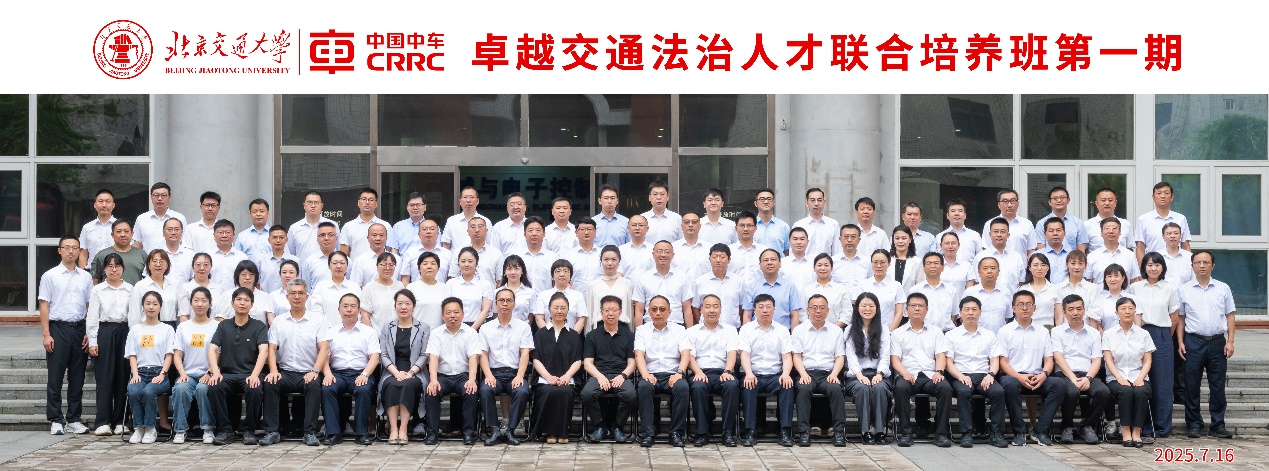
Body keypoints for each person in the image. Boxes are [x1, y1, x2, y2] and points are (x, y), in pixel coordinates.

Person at [262, 279, 332, 446]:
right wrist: (273, 370)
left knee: (314, 385)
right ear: (287, 296)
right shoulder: (278, 321)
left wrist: (315, 371)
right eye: (293, 293)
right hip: (286, 372)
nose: (297, 297)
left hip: (309, 371)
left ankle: (310, 433)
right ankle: (272, 431)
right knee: (270, 383)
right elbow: (271, 348)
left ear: (307, 296)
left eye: (301, 293)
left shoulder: (318, 320)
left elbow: (324, 348)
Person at [39, 235, 94, 436]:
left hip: (79, 329)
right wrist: (46, 334)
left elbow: (90, 306)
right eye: (67, 247)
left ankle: (74, 419)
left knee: (77, 378)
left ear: (80, 251)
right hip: (58, 329)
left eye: (75, 248)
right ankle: (55, 419)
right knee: (55, 377)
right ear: (59, 250)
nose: (71, 251)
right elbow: (44, 306)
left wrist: (89, 332)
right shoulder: (50, 276)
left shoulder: (85, 277)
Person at [1178, 250, 1235, 439]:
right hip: (1193, 342)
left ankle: (1218, 425)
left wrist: (1231, 341)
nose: (1202, 265)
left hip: (1218, 342)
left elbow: (1230, 315)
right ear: (1192, 266)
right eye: (1198, 262)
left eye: (1206, 262)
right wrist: (1180, 341)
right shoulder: (1184, 289)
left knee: (1217, 386)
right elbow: (1181, 318)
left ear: (1213, 265)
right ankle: (1194, 424)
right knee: (1191, 386)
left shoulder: (1223, 288)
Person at [995, 290, 1064, 446]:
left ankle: (1040, 430)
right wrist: (1019, 377)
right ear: (1013, 309)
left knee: (1059, 384)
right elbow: (1003, 362)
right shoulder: (1004, 331)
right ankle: (1019, 432)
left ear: (1035, 308)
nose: (1025, 308)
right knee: (1009, 384)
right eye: (1021, 305)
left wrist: (1044, 375)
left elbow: (1049, 360)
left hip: (1037, 376)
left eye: (1028, 304)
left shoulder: (1043, 332)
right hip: (1014, 376)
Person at [207, 287, 270, 445]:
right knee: (214, 386)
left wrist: (255, 375)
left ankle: (249, 430)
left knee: (255, 388)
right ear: (232, 303)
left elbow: (264, 351)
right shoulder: (223, 325)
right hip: (227, 374)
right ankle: (225, 430)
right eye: (239, 300)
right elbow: (212, 349)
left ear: (252, 304)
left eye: (246, 300)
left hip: (249, 374)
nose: (242, 303)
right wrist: (215, 372)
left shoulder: (259, 326)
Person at [889, 293, 954, 448]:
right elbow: (895, 359)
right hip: (908, 375)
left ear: (926, 310)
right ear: (907, 310)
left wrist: (939, 371)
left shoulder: (936, 332)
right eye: (913, 306)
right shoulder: (898, 333)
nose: (917, 309)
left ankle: (941, 434)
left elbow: (940, 355)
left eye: (920, 306)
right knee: (900, 388)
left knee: (945, 388)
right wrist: (904, 373)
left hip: (930, 375)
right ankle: (906, 433)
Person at [945, 296, 1008, 448]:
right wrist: (960, 376)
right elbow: (948, 363)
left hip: (983, 375)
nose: (970, 313)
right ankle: (966, 433)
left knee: (998, 392)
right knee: (963, 391)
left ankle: (996, 434)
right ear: (960, 313)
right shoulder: (951, 335)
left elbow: (994, 360)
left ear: (980, 312)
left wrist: (991, 375)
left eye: (974, 309)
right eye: (966, 310)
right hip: (960, 375)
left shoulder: (989, 335)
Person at [736, 294, 796, 447]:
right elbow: (744, 354)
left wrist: (786, 374)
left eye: (768, 307)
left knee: (787, 384)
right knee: (748, 385)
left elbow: (787, 356)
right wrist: (749, 373)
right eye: (761, 307)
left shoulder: (782, 330)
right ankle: (750, 430)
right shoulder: (746, 329)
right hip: (753, 374)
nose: (765, 310)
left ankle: (785, 430)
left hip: (775, 375)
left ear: (774, 309)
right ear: (754, 310)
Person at [1049, 294, 1110, 445]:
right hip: (1065, 374)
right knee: (1071, 392)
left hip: (1088, 373)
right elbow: (1058, 357)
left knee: (1103, 392)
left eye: (1078, 309)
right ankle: (1067, 425)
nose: (1075, 313)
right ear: (1064, 312)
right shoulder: (1057, 332)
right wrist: (1073, 378)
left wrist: (1088, 378)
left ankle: (1087, 425)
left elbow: (1096, 360)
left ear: (1084, 310)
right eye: (1071, 309)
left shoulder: (1094, 333)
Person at [1131, 251, 1180, 437]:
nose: (1153, 268)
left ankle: (1162, 427)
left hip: (1162, 334)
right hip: (1140, 333)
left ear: (1162, 267)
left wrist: (1164, 337)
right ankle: (1142, 426)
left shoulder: (1170, 288)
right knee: (1141, 380)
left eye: (1157, 265)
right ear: (1144, 267)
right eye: (1149, 265)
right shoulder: (1135, 288)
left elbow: (1174, 318)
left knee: (1163, 382)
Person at [321, 293, 380, 446]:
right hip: (337, 374)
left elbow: (374, 357)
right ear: (339, 310)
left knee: (363, 389)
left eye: (353, 306)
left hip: (361, 372)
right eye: (345, 306)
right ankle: (334, 433)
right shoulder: (330, 332)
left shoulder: (369, 332)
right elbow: (324, 356)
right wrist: (327, 374)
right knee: (327, 388)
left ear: (359, 310)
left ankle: (361, 434)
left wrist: (365, 374)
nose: (349, 310)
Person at [423, 297, 483, 445]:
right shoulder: (436, 333)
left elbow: (473, 358)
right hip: (442, 377)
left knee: (471, 391)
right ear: (443, 315)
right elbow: (433, 358)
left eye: (456, 312)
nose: (452, 316)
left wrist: (472, 379)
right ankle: (432, 433)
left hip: (464, 376)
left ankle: (469, 433)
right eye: (448, 312)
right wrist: (433, 380)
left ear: (462, 314)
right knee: (432, 392)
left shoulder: (470, 333)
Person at [634, 296, 692, 447]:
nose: (658, 313)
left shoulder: (679, 330)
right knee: (644, 386)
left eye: (662, 309)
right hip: (650, 373)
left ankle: (676, 433)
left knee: (682, 387)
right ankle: (648, 433)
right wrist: (645, 374)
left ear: (669, 312)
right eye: (654, 309)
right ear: (648, 312)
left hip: (673, 374)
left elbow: (686, 354)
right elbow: (639, 355)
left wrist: (679, 373)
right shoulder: (641, 330)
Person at [478, 288, 533, 446]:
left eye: (509, 300)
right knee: (485, 390)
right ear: (495, 304)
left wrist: (520, 375)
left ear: (514, 304)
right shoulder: (486, 328)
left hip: (514, 373)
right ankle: (494, 430)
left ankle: (510, 430)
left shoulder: (523, 327)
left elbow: (525, 353)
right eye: (501, 300)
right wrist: (488, 375)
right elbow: (483, 354)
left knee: (522, 391)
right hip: (494, 373)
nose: (505, 304)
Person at [791, 294, 848, 447]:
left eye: (822, 308)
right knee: (803, 389)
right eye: (814, 308)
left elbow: (840, 356)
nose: (818, 311)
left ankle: (839, 432)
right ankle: (804, 432)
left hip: (827, 374)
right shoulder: (799, 330)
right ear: (807, 310)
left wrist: (834, 374)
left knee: (836, 389)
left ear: (828, 310)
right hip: (806, 372)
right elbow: (796, 356)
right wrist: (803, 374)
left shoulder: (836, 331)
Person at [86, 253, 133, 436]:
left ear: (123, 268)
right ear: (104, 269)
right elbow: (92, 317)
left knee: (123, 376)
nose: (114, 270)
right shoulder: (98, 290)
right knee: (104, 377)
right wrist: (93, 341)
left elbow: (134, 316)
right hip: (104, 332)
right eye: (110, 266)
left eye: (117, 266)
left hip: (125, 331)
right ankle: (103, 422)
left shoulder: (130, 289)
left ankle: (121, 421)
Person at [685, 294, 741, 447]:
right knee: (697, 386)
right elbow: (689, 357)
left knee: (731, 385)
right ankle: (702, 432)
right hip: (700, 371)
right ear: (701, 309)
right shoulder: (692, 331)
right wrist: (698, 372)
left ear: (721, 309)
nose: (712, 310)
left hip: (723, 371)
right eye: (708, 306)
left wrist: (728, 371)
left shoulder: (730, 330)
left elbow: (732, 353)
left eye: (715, 306)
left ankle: (727, 432)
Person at [581, 295, 637, 443]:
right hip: (599, 375)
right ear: (601, 312)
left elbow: (632, 363)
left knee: (630, 395)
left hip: (620, 375)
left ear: (620, 312)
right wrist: (600, 377)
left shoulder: (629, 336)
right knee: (587, 394)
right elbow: (587, 363)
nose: (610, 313)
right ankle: (600, 426)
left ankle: (617, 427)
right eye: (606, 310)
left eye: (614, 310)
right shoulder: (592, 336)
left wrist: (623, 376)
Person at [379, 290, 431, 446]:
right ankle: (393, 429)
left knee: (407, 385)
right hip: (391, 371)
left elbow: (424, 354)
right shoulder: (387, 327)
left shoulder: (423, 327)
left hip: (415, 372)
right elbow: (384, 355)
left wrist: (411, 372)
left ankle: (403, 428)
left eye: (407, 303)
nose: (403, 307)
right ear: (395, 306)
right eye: (400, 303)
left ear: (413, 306)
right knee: (391, 384)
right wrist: (396, 372)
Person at [530, 292, 584, 444]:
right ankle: (551, 432)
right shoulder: (540, 334)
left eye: (563, 308)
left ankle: (563, 431)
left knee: (565, 391)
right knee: (549, 391)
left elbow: (577, 360)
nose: (559, 311)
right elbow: (536, 359)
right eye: (556, 308)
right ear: (549, 310)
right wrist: (548, 377)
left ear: (568, 310)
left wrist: (567, 376)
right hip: (544, 379)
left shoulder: (573, 335)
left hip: (567, 378)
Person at [1103, 297, 1157, 447]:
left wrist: (1140, 377)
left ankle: (1137, 432)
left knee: (1141, 391)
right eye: (1123, 309)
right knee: (1125, 391)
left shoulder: (1143, 334)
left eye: (1130, 308)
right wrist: (1119, 378)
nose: (1127, 311)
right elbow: (1109, 361)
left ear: (1135, 311)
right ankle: (1126, 431)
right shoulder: (1108, 334)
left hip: (1139, 375)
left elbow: (1147, 361)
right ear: (1116, 313)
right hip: (1115, 377)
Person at [124, 291, 176, 444]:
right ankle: (138, 428)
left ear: (160, 306)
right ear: (143, 306)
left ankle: (150, 428)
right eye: (148, 303)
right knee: (134, 391)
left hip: (159, 373)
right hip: (140, 372)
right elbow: (132, 354)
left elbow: (169, 355)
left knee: (148, 392)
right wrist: (135, 374)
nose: (151, 307)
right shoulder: (135, 329)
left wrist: (162, 374)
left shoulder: (167, 329)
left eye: (155, 304)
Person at [171, 286, 219, 444]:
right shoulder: (183, 327)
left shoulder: (216, 326)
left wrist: (210, 372)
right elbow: (177, 354)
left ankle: (208, 429)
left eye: (204, 300)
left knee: (203, 389)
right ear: (191, 303)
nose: (200, 304)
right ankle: (180, 430)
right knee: (180, 388)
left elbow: (219, 353)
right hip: (188, 373)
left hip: (209, 373)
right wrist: (182, 374)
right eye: (196, 300)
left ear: (209, 303)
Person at [843, 293, 892, 445]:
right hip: (856, 376)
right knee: (862, 388)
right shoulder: (850, 330)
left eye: (871, 306)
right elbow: (851, 356)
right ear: (857, 308)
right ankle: (865, 432)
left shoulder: (884, 329)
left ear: (877, 309)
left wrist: (880, 374)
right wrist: (859, 375)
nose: (867, 309)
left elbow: (885, 355)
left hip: (879, 374)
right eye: (864, 306)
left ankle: (880, 431)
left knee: (880, 388)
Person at [632, 240, 694, 328]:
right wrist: (639, 332)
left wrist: (689, 332)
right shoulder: (644, 278)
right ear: (653, 254)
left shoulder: (682, 277)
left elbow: (687, 309)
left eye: (667, 252)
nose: (663, 255)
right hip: (650, 326)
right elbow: (639, 311)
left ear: (673, 255)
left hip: (676, 326)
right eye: (659, 251)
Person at [1135, 181, 1192, 264]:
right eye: (1159, 193)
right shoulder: (1143, 219)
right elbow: (1140, 248)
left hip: (1177, 263)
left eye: (1166, 193)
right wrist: (1142, 269)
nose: (1162, 196)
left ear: (1172, 197)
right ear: (1153, 197)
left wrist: (1189, 265)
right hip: (1153, 266)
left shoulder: (1180, 219)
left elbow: (1185, 245)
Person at [692, 244, 746, 328]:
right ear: (709, 259)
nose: (718, 260)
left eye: (722, 257)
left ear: (729, 260)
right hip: (707, 330)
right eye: (714, 257)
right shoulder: (699, 282)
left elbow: (741, 306)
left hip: (733, 329)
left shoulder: (739, 281)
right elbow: (695, 308)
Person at [587, 245, 635, 329]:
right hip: (599, 329)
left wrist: (630, 333)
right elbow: (590, 314)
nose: (610, 263)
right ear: (601, 261)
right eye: (606, 259)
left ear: (619, 261)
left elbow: (629, 312)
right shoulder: (593, 285)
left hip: (622, 329)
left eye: (613, 259)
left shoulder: (627, 284)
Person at [532, 259, 588, 331]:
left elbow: (581, 320)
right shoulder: (543, 295)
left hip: (571, 336)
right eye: (558, 271)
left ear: (570, 275)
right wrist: (548, 335)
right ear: (552, 276)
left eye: (566, 271)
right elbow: (539, 319)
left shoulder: (578, 296)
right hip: (547, 336)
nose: (562, 274)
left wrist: (573, 336)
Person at [445, 247, 494, 330]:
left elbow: (486, 310)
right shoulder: (451, 283)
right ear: (458, 263)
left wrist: (471, 330)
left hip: (478, 327)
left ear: (476, 263)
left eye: (470, 261)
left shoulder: (485, 284)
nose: (466, 264)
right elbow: (447, 308)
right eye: (463, 261)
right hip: (455, 327)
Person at [801, 253, 854, 328]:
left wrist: (834, 329)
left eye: (826, 265)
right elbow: (802, 313)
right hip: (810, 331)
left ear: (832, 268)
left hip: (835, 331)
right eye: (819, 265)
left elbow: (847, 312)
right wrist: (812, 328)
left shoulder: (840, 289)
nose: (823, 268)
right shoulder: (808, 290)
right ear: (814, 268)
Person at [131, 249, 180, 330]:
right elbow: (134, 314)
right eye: (154, 261)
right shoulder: (140, 286)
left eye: (161, 261)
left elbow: (178, 312)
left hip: (170, 328)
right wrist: (135, 332)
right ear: (148, 265)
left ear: (167, 265)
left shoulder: (174, 286)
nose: (158, 264)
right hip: (147, 328)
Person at [1031, 187, 1088, 253]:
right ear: (1049, 202)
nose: (1059, 200)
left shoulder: (1078, 223)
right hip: (1048, 259)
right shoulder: (1041, 224)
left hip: (1071, 259)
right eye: (1055, 198)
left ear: (1068, 200)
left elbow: (1081, 252)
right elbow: (1041, 252)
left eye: (1062, 197)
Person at [962, 257, 1012, 333]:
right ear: (979, 272)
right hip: (976, 337)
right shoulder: (970, 293)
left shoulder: (1005, 292)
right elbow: (963, 318)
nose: (989, 271)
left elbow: (1006, 317)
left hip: (999, 337)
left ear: (998, 272)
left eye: (993, 268)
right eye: (985, 268)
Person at [909, 252, 956, 332]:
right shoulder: (915, 290)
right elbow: (911, 315)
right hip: (923, 332)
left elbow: (954, 315)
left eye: (936, 263)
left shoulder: (951, 289)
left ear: (942, 267)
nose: (932, 266)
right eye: (929, 263)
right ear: (923, 268)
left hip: (946, 333)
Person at [133, 182, 187, 252]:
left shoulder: (179, 218)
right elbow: (137, 245)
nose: (159, 199)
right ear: (151, 197)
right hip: (148, 258)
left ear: (169, 198)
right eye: (156, 195)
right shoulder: (141, 219)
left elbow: (184, 243)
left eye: (163, 195)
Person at [310, 251, 359, 326]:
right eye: (335, 263)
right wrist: (327, 328)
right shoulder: (321, 286)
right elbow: (316, 311)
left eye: (342, 263)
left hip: (350, 330)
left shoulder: (354, 287)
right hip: (326, 330)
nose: (338, 266)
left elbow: (359, 313)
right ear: (329, 266)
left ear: (347, 266)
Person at [89, 220, 146, 285]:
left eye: (126, 231)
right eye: (119, 231)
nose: (123, 235)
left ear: (132, 233)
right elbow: (95, 279)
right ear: (112, 235)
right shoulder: (102, 255)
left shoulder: (142, 255)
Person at [339, 188, 390, 260]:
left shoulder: (385, 226)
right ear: (358, 203)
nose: (367, 202)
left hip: (380, 266)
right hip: (356, 266)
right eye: (364, 199)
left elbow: (389, 251)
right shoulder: (348, 226)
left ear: (376, 204)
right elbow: (343, 255)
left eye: (371, 200)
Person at [858, 249, 903, 330]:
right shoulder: (862, 285)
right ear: (871, 263)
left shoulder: (896, 286)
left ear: (889, 263)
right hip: (865, 331)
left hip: (888, 330)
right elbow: (858, 310)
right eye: (875, 262)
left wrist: (889, 332)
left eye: (882, 262)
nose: (878, 266)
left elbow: (899, 312)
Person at [1087, 218, 1140, 285]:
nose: (1111, 231)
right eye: (1107, 228)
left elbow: (1135, 281)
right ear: (1101, 233)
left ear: (1120, 232)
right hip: (1100, 292)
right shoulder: (1092, 256)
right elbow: (1088, 282)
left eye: (1114, 228)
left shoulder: (1130, 255)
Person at [975, 218, 1026, 288]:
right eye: (996, 231)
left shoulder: (1016, 257)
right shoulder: (980, 257)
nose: (999, 235)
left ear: (1008, 235)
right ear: (990, 234)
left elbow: (1021, 283)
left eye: (1002, 232)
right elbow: (976, 283)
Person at [513, 216, 559, 291]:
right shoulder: (516, 257)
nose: (534, 234)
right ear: (524, 234)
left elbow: (556, 283)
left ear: (544, 234)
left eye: (538, 230)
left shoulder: (553, 258)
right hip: (522, 297)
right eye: (530, 230)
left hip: (545, 298)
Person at [982, 189, 1034, 256]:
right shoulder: (989, 224)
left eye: (1012, 201)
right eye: (1005, 201)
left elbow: (1031, 250)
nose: (1009, 205)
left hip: (1020, 263)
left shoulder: (1027, 224)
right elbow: (986, 249)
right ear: (999, 204)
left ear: (1018, 204)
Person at [288, 191, 337, 261]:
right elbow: (291, 253)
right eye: (310, 202)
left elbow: (337, 249)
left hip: (326, 267)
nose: (313, 206)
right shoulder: (294, 228)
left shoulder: (332, 226)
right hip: (301, 267)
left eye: (316, 203)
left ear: (322, 205)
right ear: (304, 205)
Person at [400, 218, 452, 284]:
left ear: (438, 233)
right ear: (419, 234)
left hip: (441, 290)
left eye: (432, 229)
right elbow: (405, 279)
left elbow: (450, 279)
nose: (428, 232)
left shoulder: (447, 254)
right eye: (424, 229)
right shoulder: (410, 253)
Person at [1055, 250, 1099, 327]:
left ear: (1085, 265)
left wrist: (1092, 333)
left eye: (1080, 263)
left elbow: (1094, 317)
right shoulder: (1058, 288)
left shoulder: (1092, 288)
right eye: (1073, 263)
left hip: (1086, 331)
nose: (1076, 267)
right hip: (1064, 331)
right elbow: (1059, 317)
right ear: (1067, 265)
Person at [361, 252, 404, 330]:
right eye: (383, 265)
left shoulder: (400, 286)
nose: (387, 268)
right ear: (377, 266)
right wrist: (371, 335)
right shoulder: (369, 288)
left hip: (399, 333)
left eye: (391, 265)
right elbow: (365, 316)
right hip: (378, 334)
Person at [404, 252, 447, 328]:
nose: (429, 266)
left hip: (439, 332)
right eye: (425, 264)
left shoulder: (445, 288)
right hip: (417, 332)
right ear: (419, 268)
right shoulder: (411, 288)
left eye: (433, 264)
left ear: (438, 268)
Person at [179, 253, 226, 321]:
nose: (202, 268)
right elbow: (184, 315)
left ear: (211, 266)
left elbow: (221, 315)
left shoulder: (219, 289)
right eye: (198, 264)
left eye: (206, 265)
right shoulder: (185, 288)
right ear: (193, 266)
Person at [793, 188, 839, 257]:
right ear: (807, 203)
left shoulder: (833, 224)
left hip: (826, 263)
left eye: (819, 200)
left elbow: (836, 251)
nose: (816, 204)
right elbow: (793, 252)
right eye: (812, 200)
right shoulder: (799, 225)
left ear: (824, 202)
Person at [224, 260, 273, 325]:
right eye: (244, 275)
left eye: (251, 274)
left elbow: (270, 320)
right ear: (238, 276)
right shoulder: (228, 295)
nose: (247, 278)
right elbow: (220, 318)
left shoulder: (265, 296)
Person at [728, 212, 770, 285]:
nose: (745, 229)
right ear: (736, 228)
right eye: (742, 225)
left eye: (749, 225)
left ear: (755, 228)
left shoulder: (765, 251)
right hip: (735, 290)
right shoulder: (728, 251)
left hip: (759, 291)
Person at [79, 189, 118, 268]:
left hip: (115, 271)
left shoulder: (120, 226)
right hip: (92, 271)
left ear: (113, 205)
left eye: (107, 201)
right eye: (100, 201)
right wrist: (82, 273)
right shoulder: (87, 227)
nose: (104, 205)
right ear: (95, 205)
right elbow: (83, 254)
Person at [1085, 188, 1132, 253]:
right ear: (1096, 203)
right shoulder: (1087, 225)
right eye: (1103, 200)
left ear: (1115, 203)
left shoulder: (1125, 224)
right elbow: (1084, 250)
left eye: (1110, 200)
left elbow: (1129, 248)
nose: (1107, 203)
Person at [1020, 253, 1060, 328]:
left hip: (1048, 328)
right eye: (1035, 265)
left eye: (1043, 265)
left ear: (1048, 268)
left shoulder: (1055, 289)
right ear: (1029, 268)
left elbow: (1059, 317)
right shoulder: (1022, 290)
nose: (1039, 268)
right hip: (1028, 328)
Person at [1092, 264, 1138, 331]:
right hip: (1106, 336)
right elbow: (1098, 324)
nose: (1113, 279)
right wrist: (1105, 336)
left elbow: (1137, 324)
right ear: (1105, 279)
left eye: (1116, 276)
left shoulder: (1133, 298)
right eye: (1109, 276)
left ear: (1123, 278)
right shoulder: (1100, 299)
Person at [566, 218, 603, 296]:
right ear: (576, 233)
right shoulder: (568, 255)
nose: (586, 232)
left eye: (589, 229)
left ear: (595, 232)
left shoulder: (603, 254)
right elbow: (563, 279)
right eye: (582, 229)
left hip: (599, 297)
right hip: (575, 299)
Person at [671, 212, 711, 282]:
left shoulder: (710, 248)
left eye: (694, 222)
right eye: (686, 222)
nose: (690, 225)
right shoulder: (672, 248)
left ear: (700, 226)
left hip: (703, 288)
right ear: (681, 226)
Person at [752, 188, 790, 256]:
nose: (766, 202)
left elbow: (787, 251)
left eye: (769, 199)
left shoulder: (784, 226)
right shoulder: (749, 226)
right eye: (762, 199)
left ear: (774, 202)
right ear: (756, 203)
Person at [235, 198, 273, 263]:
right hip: (249, 269)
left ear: (268, 213)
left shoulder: (276, 235)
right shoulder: (242, 236)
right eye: (254, 212)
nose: (258, 214)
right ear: (250, 214)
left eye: (262, 211)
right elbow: (237, 258)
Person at [935, 231, 973, 296]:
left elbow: (969, 292)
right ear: (941, 246)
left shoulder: (967, 266)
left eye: (953, 243)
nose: (950, 246)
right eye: (947, 243)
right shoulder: (935, 266)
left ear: (958, 245)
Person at [1035, 217, 1072, 282]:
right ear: (1045, 234)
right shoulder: (1037, 256)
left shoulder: (1072, 255)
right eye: (1051, 231)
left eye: (1058, 230)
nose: (1055, 233)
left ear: (1064, 233)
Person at [618, 215, 654, 280]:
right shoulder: (621, 250)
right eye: (634, 225)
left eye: (641, 225)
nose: (637, 228)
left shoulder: (653, 250)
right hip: (626, 286)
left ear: (647, 228)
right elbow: (618, 273)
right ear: (628, 228)